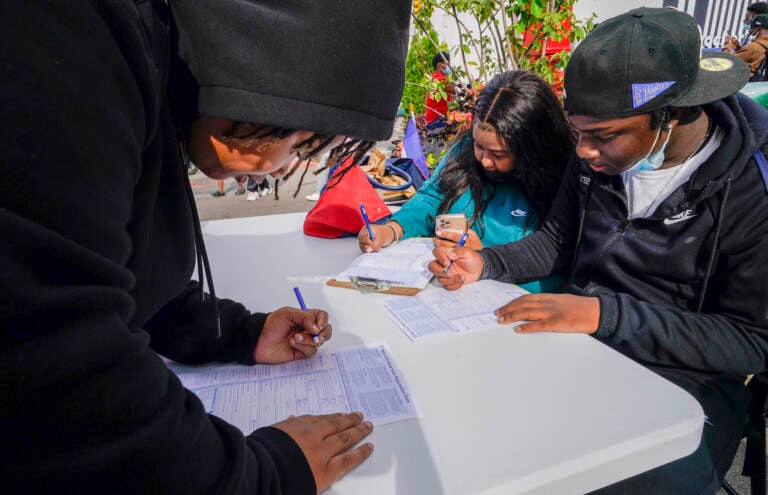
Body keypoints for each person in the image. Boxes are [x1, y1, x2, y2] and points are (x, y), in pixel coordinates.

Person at [0, 1, 410, 494]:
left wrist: (239, 333)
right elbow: (52, 361)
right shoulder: (64, 30)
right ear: (263, 63)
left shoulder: (156, 66)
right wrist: (264, 476)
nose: (284, 167)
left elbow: (117, 274)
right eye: (299, 138)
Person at [430, 7, 768, 494]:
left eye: (603, 136)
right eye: (580, 131)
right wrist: (487, 263)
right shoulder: (594, 161)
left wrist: (605, 314)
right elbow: (557, 242)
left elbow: (751, 341)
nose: (583, 151)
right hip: (581, 344)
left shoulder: (752, 188)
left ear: (671, 116)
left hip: (688, 383)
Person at [358, 70, 573, 293]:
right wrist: (393, 229)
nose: (485, 161)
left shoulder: (562, 180)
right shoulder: (463, 154)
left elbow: (555, 263)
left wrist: (485, 260)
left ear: (532, 148)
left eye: (498, 154)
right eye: (479, 146)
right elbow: (431, 199)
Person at [725, 13, 768, 79]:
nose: (749, 31)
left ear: (759, 29)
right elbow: (751, 58)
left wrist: (727, 45)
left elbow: (725, 62)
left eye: (752, 28)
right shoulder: (763, 45)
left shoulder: (754, 47)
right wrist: (738, 49)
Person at [424, 51, 457, 132]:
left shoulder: (435, 77)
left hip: (434, 121)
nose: (449, 67)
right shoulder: (438, 79)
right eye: (448, 64)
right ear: (440, 65)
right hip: (437, 122)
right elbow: (456, 90)